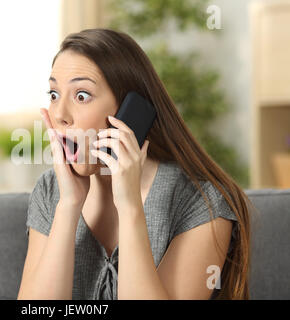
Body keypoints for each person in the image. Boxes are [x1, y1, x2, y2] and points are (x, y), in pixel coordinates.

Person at [17, 28, 252, 300]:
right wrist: (68, 206)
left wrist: (129, 207)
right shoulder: (50, 191)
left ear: (130, 110)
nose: (59, 115)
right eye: (54, 94)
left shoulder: (202, 201)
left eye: (81, 95)